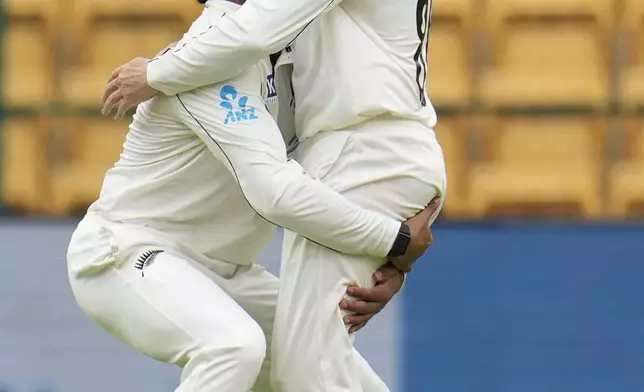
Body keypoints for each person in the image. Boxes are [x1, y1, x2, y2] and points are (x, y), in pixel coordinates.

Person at [69, 2, 439, 392]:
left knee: (348, 378)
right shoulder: (209, 57)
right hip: (127, 252)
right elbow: (276, 191)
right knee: (232, 347)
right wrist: (395, 240)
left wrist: (379, 263)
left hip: (228, 272)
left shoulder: (289, 60)